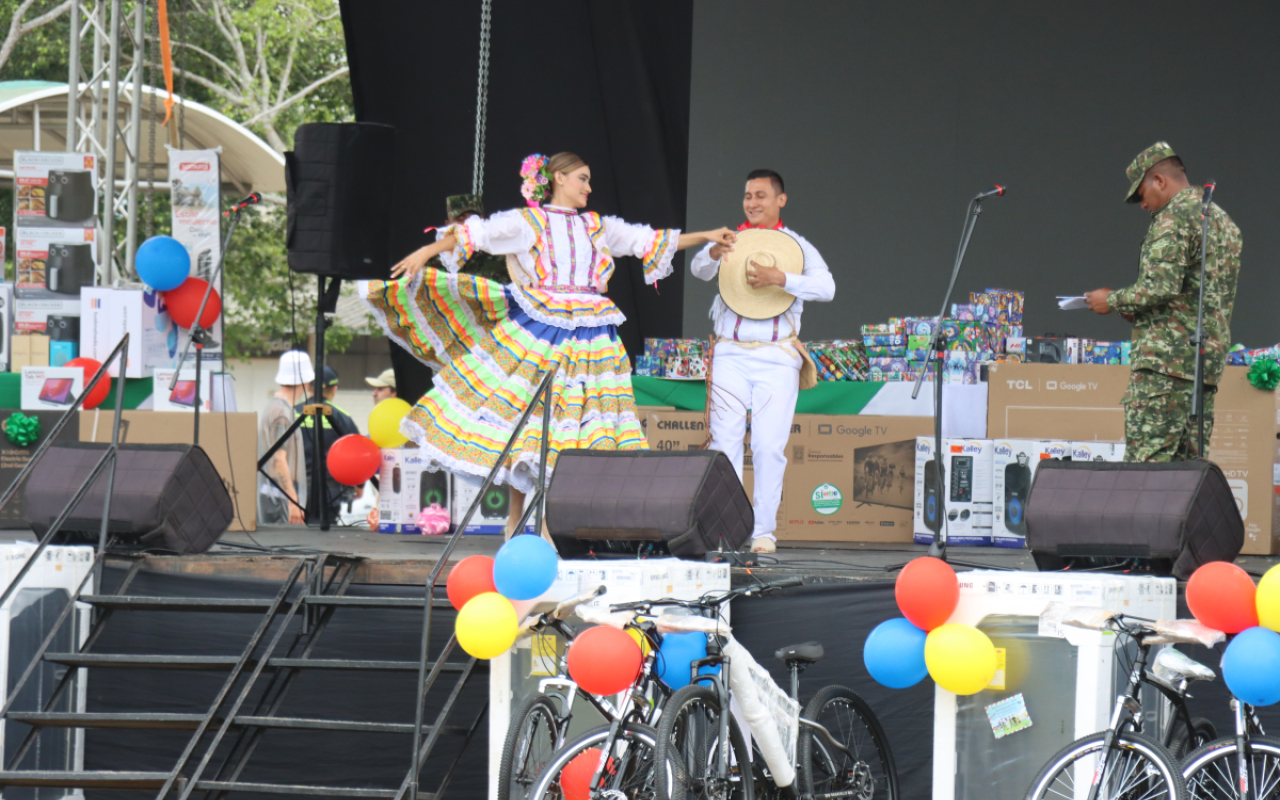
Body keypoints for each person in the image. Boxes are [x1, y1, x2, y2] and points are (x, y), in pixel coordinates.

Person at [361, 152, 734, 536]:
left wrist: (706, 235)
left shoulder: (597, 227)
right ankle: (515, 522)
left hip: (592, 334)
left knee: (572, 428)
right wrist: (427, 251)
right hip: (544, 328)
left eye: (589, 181)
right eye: (582, 179)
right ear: (558, 178)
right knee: (531, 423)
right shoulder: (529, 222)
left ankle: (545, 524)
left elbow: (650, 240)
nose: (589, 187)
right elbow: (478, 234)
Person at [688, 169, 835, 553]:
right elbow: (698, 270)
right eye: (747, 195)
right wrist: (713, 252)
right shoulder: (730, 240)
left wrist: (781, 277)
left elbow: (827, 288)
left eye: (761, 195)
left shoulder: (797, 246)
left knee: (769, 446)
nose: (752, 202)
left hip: (777, 356)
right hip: (730, 354)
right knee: (725, 444)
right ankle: (726, 528)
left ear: (780, 200)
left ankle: (764, 531)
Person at [1084, 142, 1242, 462]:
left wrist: (1111, 301)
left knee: (1148, 476)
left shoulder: (1174, 216)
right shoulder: (1224, 223)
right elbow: (1198, 295)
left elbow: (1160, 286)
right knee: (1188, 479)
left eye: (1141, 194)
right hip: (1203, 369)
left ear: (1160, 180)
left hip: (1164, 369)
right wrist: (1141, 313)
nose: (1143, 205)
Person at [296, 365, 362, 524]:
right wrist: (360, 485)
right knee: (325, 539)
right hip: (330, 492)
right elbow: (358, 452)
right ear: (335, 389)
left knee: (294, 538)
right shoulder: (342, 417)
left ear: (309, 387)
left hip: (296, 490)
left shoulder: (293, 413)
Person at [258, 351, 311, 526]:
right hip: (279, 496)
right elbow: (278, 460)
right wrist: (293, 501)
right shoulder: (282, 412)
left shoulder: (275, 407)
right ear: (305, 380)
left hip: (274, 492)